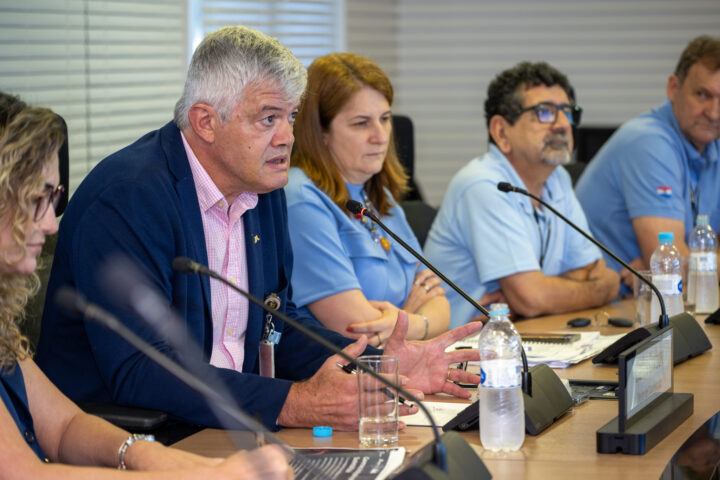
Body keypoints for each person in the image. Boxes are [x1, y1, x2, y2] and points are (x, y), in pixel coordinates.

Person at [36, 26, 480, 433]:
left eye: (290, 117)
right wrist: (294, 403)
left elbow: (278, 329)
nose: (287, 137)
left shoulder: (262, 191)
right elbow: (140, 369)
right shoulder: (129, 198)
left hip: (237, 423)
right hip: (141, 438)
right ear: (206, 121)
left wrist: (378, 364)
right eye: (269, 119)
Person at [0, 93, 292, 478]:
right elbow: (23, 474)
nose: (51, 224)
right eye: (36, 199)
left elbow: (64, 426)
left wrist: (153, 459)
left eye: (53, 198)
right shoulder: (129, 195)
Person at [424, 62, 620, 327]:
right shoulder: (483, 185)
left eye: (567, 112)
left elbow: (600, 276)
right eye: (544, 113)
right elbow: (532, 299)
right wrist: (538, 294)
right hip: (460, 351)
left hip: (522, 335)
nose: (563, 124)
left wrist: (542, 292)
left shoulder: (557, 178)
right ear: (501, 132)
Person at [285, 53, 449, 347]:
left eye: (385, 119)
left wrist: (398, 322)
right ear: (320, 132)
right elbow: (359, 330)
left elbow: (440, 303)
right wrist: (412, 315)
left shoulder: (375, 194)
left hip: (401, 368)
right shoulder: (301, 199)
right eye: (361, 123)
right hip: (351, 379)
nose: (381, 136)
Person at [576, 35, 720, 287]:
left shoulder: (712, 143)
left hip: (652, 303)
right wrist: (692, 263)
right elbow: (672, 270)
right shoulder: (650, 142)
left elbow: (673, 268)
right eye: (702, 95)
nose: (713, 112)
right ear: (673, 88)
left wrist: (696, 262)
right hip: (604, 305)